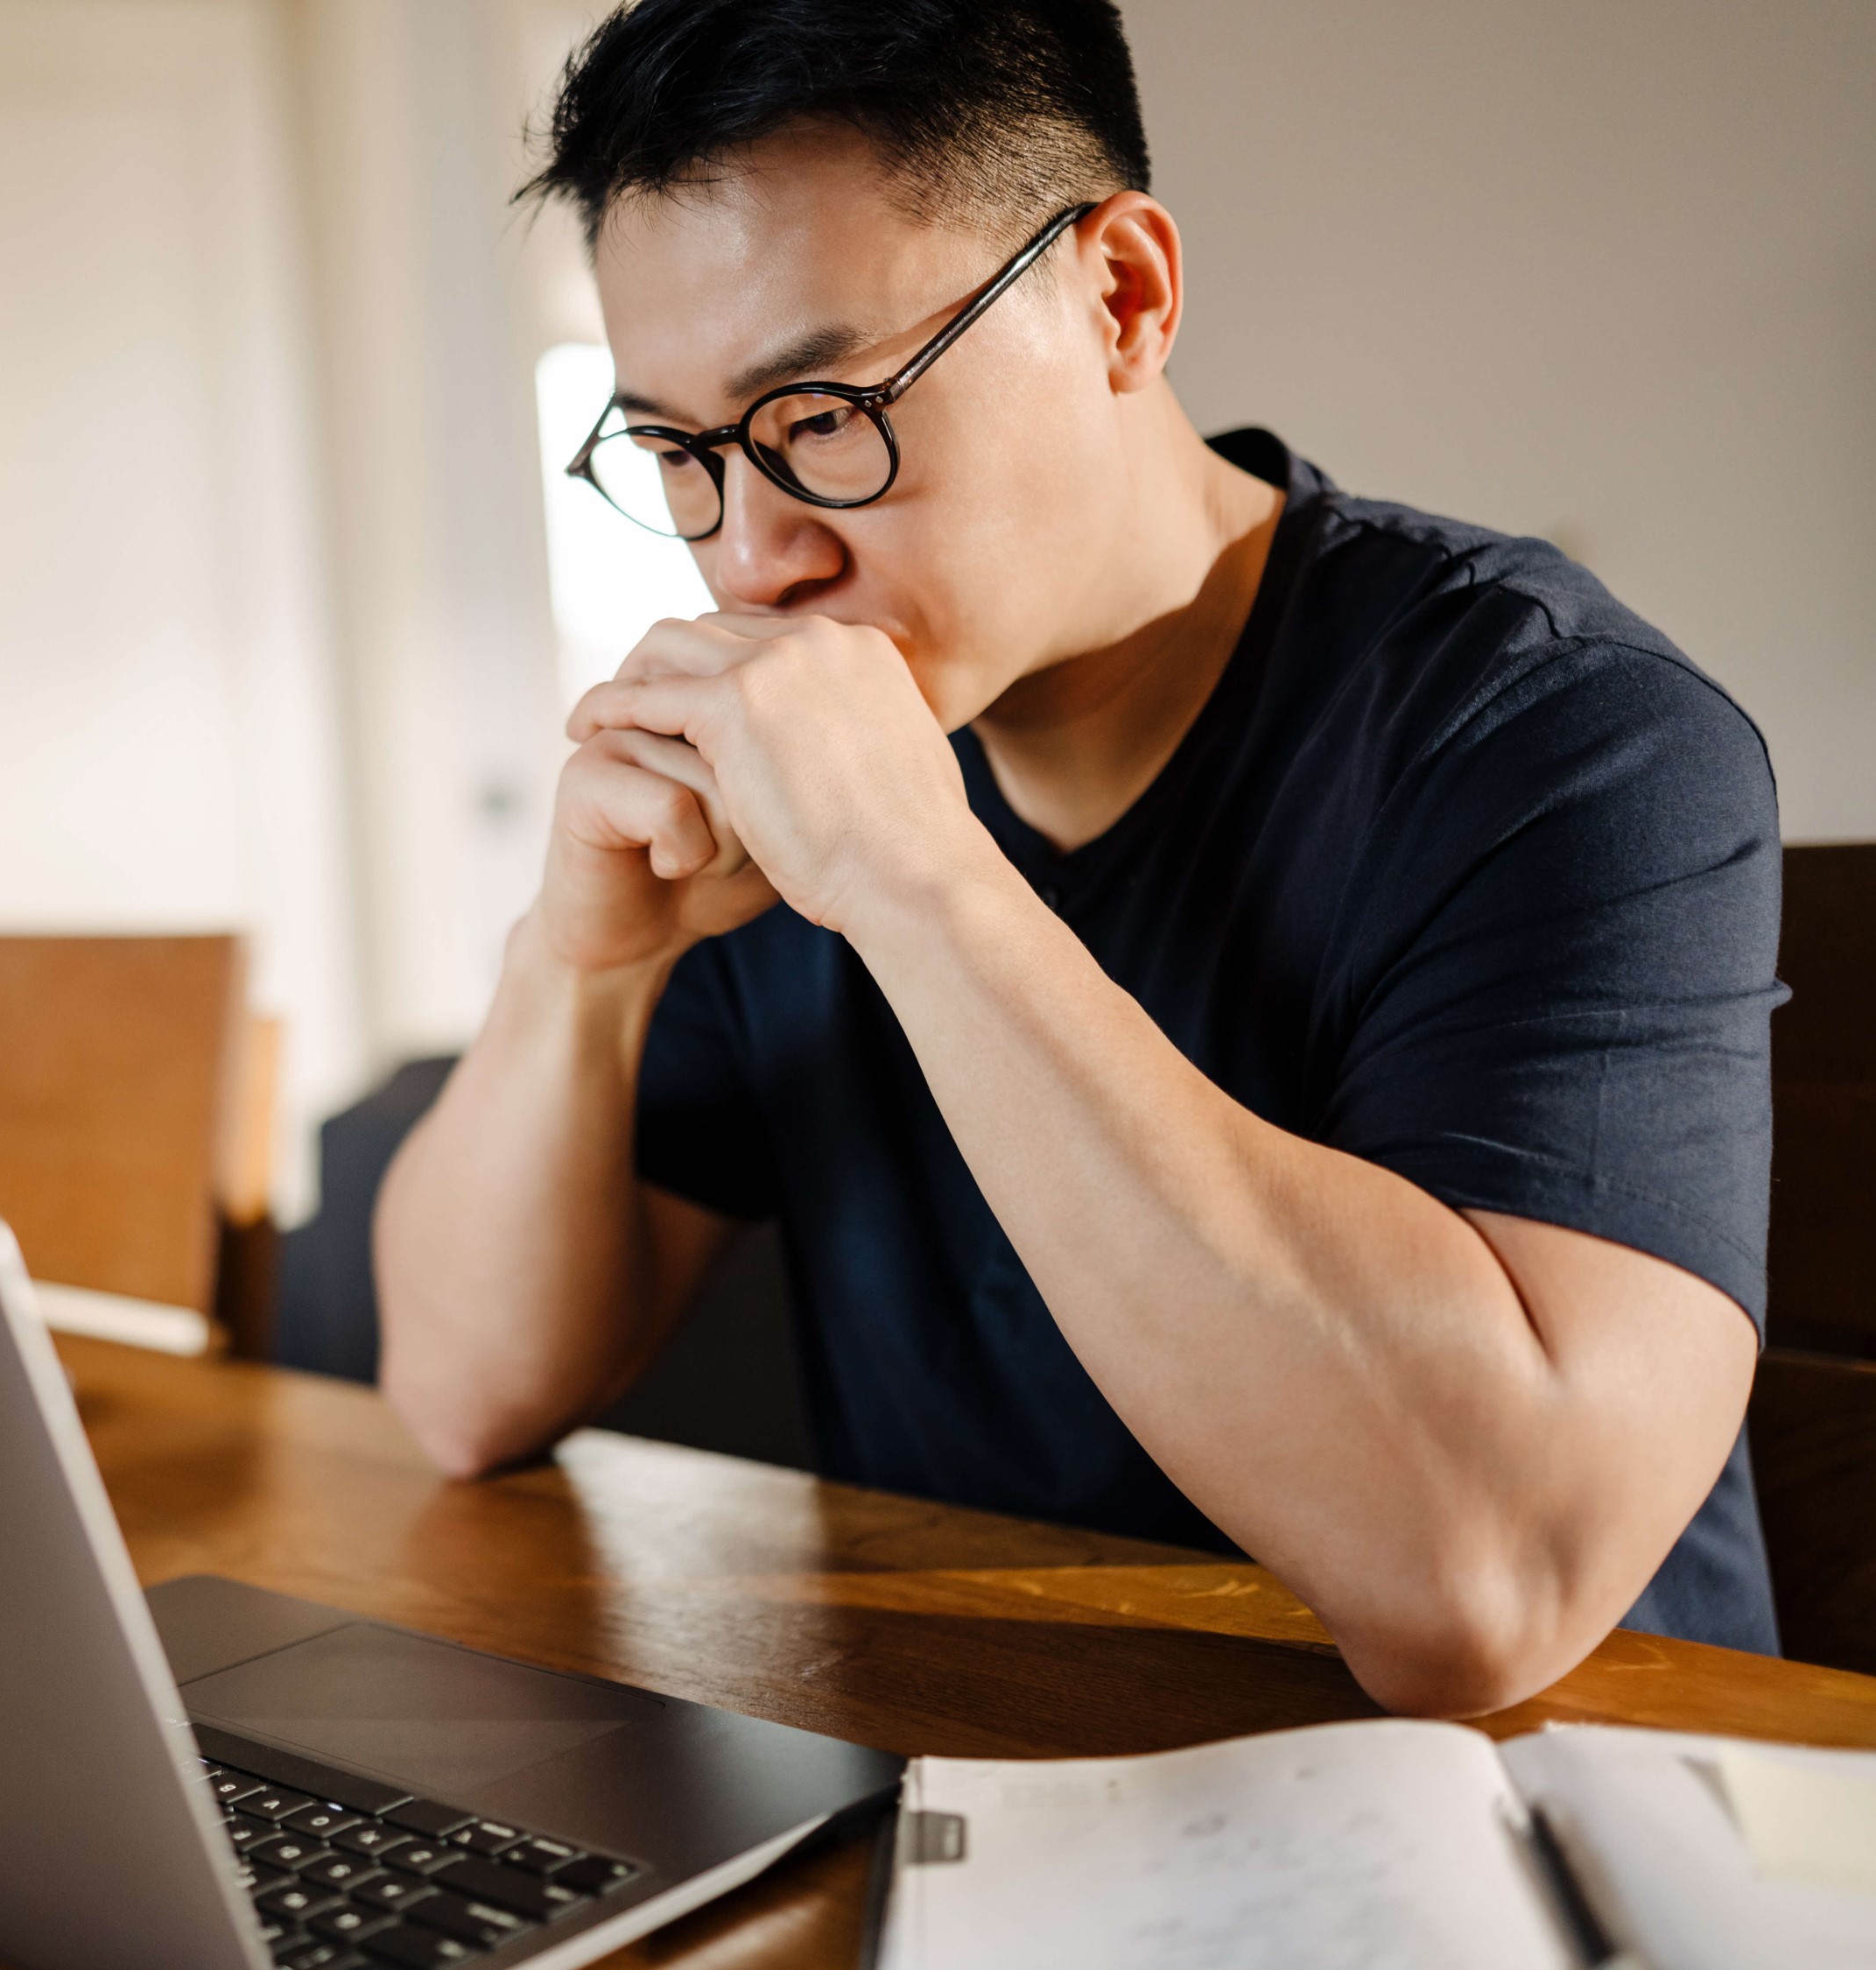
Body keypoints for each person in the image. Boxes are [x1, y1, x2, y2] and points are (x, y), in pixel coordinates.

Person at [373, 0, 1780, 1718]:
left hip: (1561, 1836)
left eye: (820, 414)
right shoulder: (788, 775)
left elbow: (1484, 1588)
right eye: (675, 453)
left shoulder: (1552, 733)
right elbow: (459, 1392)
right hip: (988, 1793)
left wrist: (921, 883)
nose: (750, 556)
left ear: (1120, 296)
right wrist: (575, 971)